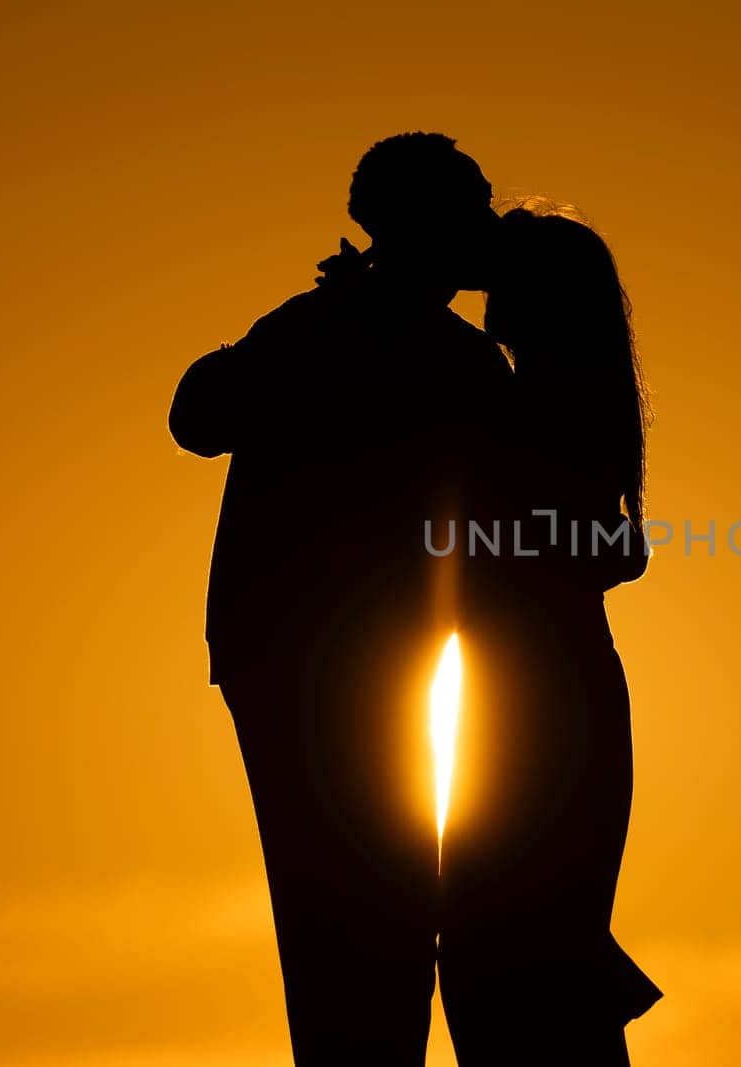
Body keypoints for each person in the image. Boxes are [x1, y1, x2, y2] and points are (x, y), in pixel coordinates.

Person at [168, 132, 509, 1066]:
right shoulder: (448, 357)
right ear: (423, 224)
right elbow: (196, 417)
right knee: (372, 894)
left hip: (292, 649)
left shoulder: (335, 325)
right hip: (333, 654)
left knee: (344, 895)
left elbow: (200, 413)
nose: (488, 226)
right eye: (471, 208)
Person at [439, 206, 662, 1066]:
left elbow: (604, 548)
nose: (483, 292)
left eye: (502, 279)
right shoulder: (567, 405)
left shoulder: (523, 405)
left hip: (543, 697)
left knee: (509, 938)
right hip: (548, 688)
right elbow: (616, 549)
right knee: (527, 939)